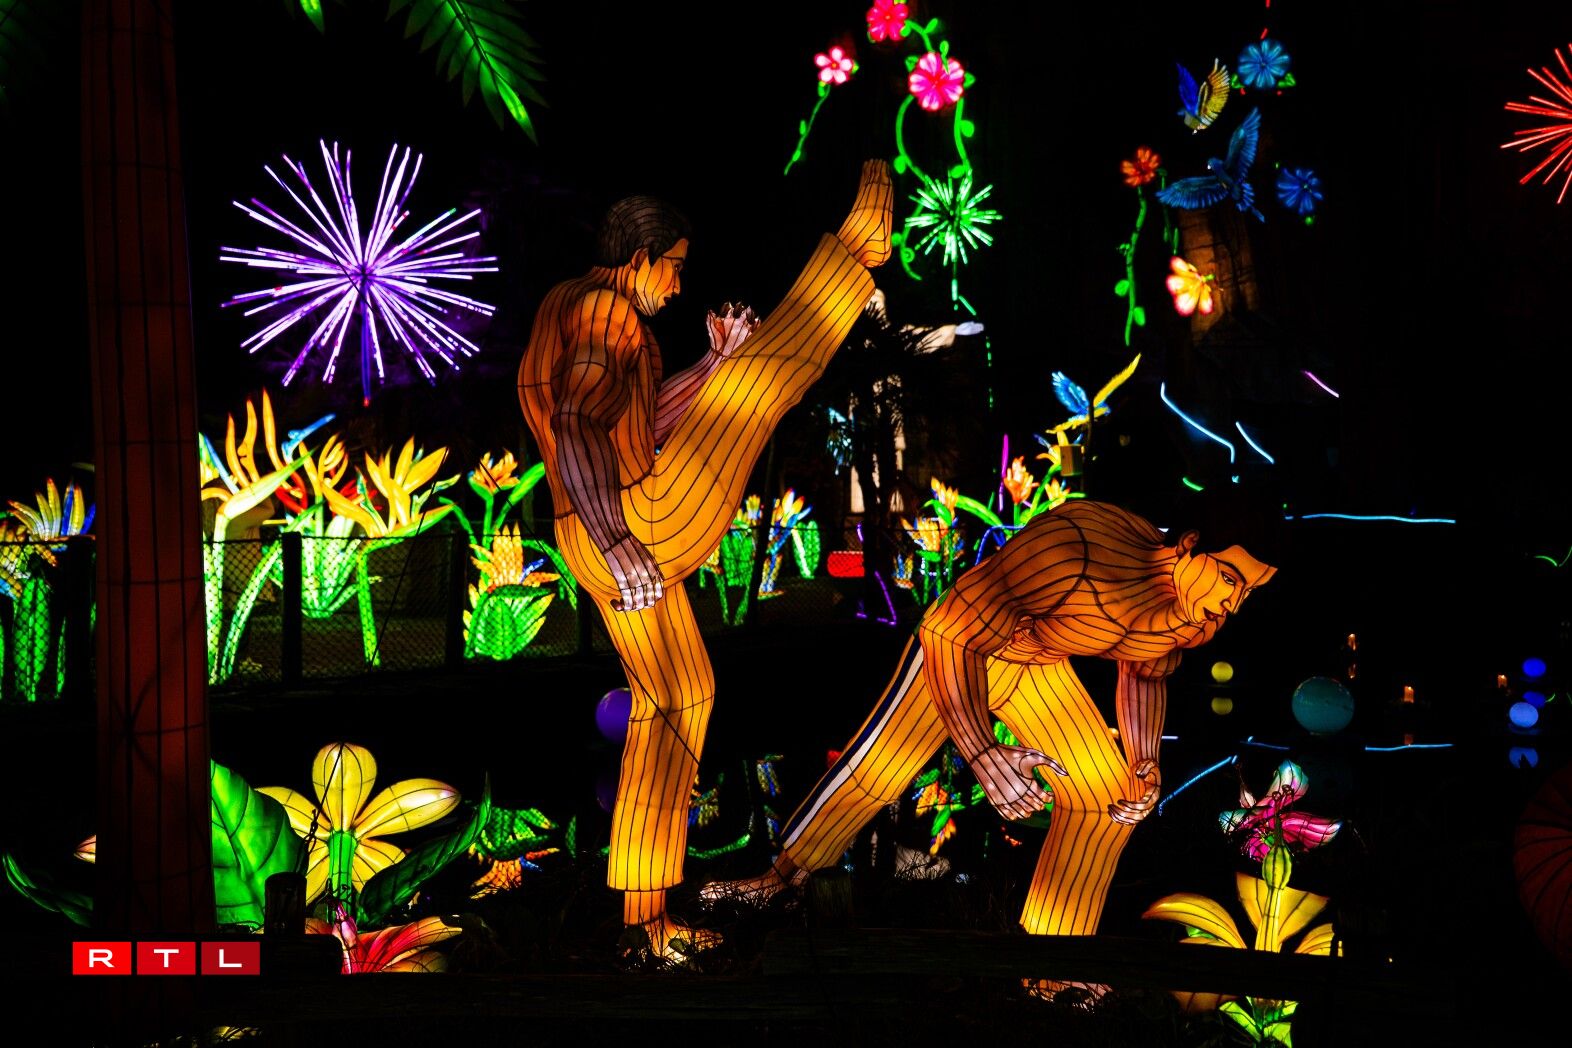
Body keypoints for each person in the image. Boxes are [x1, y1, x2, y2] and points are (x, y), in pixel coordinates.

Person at [517, 161, 893, 958]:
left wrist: (711, 368)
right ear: (640, 258)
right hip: (635, 518)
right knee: (765, 381)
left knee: (679, 698)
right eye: (675, 268)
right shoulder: (606, 310)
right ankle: (858, 252)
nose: (679, 287)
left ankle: (645, 922)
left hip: (599, 523)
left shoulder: (570, 308)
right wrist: (618, 537)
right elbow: (576, 424)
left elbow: (639, 419)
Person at [703, 498, 1276, 939]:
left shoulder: (1194, 616)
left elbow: (1145, 674)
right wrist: (981, 752)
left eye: (1247, 591)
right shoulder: (1078, 547)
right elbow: (950, 630)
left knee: (1107, 797)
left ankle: (1051, 954)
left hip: (1039, 665)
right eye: (1229, 578)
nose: (1231, 604)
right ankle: (780, 883)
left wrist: (1145, 758)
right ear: (1190, 547)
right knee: (878, 772)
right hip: (962, 648)